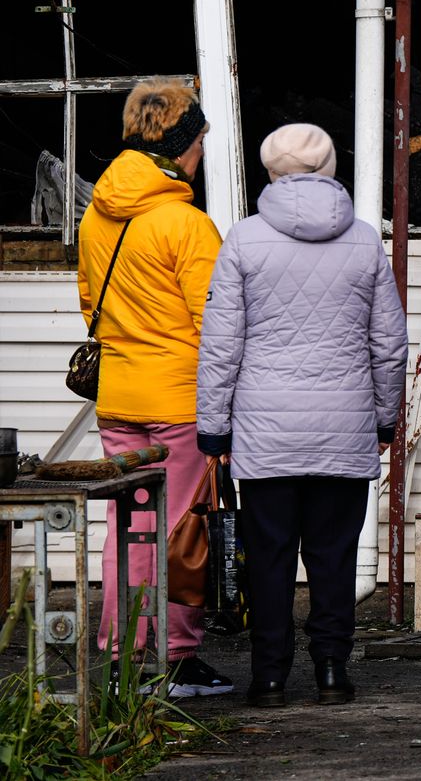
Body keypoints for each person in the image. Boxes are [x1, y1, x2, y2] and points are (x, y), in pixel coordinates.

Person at [197, 123, 407, 709]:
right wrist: (384, 419)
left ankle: (268, 677)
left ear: (270, 171)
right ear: (330, 166)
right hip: (344, 426)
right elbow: (389, 345)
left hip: (265, 433)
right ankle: (333, 671)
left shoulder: (243, 240)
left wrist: (213, 426)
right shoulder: (364, 240)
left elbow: (221, 344)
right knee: (334, 556)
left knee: (268, 557)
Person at [78, 81, 230, 697]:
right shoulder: (185, 224)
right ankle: (174, 657)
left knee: (127, 523)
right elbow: (216, 324)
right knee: (181, 529)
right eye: (199, 141)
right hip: (178, 398)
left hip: (119, 395)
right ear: (183, 144)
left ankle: (121, 652)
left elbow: (90, 301)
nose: (200, 153)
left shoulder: (96, 214)